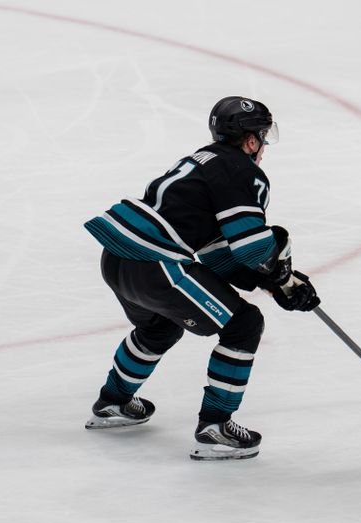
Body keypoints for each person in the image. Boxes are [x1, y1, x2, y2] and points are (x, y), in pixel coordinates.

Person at [82, 96, 320, 461]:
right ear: (251, 141)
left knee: (159, 328)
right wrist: (282, 274)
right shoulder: (243, 171)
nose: (263, 146)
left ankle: (113, 402)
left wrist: (272, 283)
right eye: (262, 136)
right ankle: (215, 428)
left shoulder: (201, 160)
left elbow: (215, 255)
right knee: (244, 324)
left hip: (117, 257)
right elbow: (254, 247)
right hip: (156, 261)